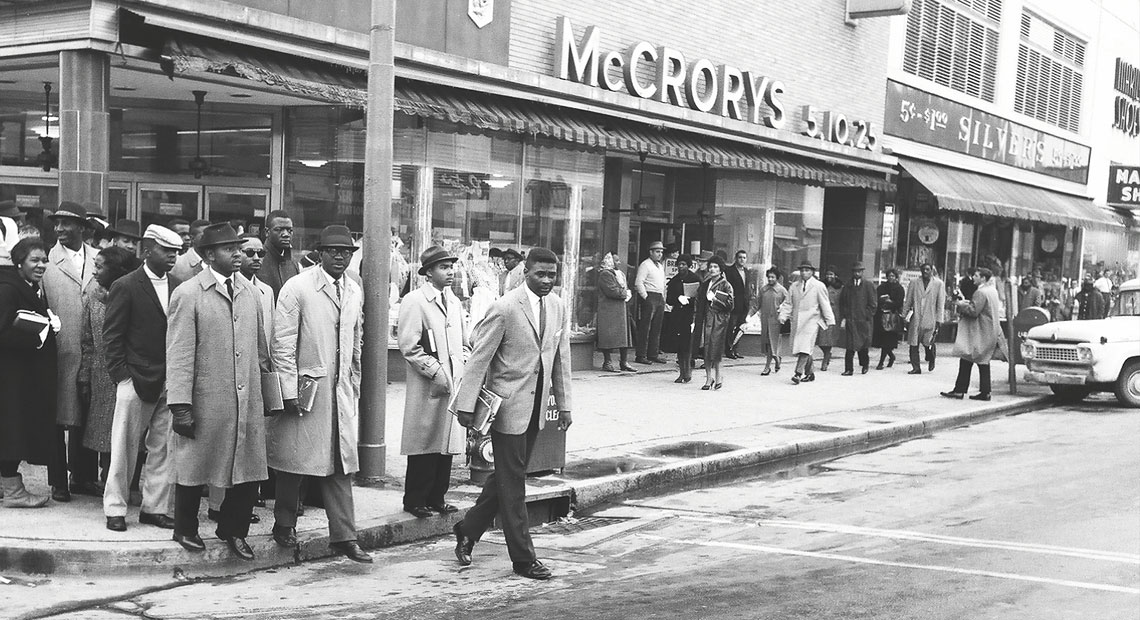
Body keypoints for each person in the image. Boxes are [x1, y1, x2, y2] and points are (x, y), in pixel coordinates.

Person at [452, 247, 573, 581]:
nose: (547, 281)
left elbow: (560, 360)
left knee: (506, 477)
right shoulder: (505, 308)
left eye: (552, 275)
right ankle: (523, 558)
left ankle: (468, 529)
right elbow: (479, 358)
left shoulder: (558, 306)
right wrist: (465, 406)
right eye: (540, 274)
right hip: (506, 409)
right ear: (525, 272)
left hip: (535, 410)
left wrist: (564, 406)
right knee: (513, 483)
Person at [166, 223, 270, 559]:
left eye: (239, 248)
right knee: (194, 465)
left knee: (247, 468)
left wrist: (269, 396)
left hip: (246, 397)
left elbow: (261, 350)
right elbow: (179, 354)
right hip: (206, 397)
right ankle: (184, 528)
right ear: (210, 255)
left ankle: (234, 530)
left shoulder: (251, 292)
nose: (238, 254)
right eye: (230, 249)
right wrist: (180, 404)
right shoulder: (188, 293)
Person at [269, 225, 370, 563]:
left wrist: (354, 379)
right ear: (320, 252)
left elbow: (357, 338)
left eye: (346, 252)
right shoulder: (297, 287)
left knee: (340, 462)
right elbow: (282, 343)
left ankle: (344, 535)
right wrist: (288, 389)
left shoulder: (354, 289)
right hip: (306, 388)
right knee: (294, 460)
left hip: (339, 390)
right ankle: (284, 523)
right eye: (333, 251)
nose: (340, 256)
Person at [100, 226, 182, 532]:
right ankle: (115, 508)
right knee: (124, 446)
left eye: (176, 251)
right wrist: (122, 376)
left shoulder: (179, 285)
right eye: (166, 250)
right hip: (134, 377)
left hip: (171, 379)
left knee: (164, 446)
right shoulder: (126, 285)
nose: (173, 256)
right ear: (147, 250)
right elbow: (112, 336)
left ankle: (154, 508)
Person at [397, 245, 467, 523]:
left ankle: (437, 496)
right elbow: (409, 345)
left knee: (446, 442)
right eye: (443, 267)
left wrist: (464, 361)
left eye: (451, 267)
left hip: (453, 381)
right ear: (428, 273)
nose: (450, 272)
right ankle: (415, 499)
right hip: (430, 383)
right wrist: (436, 371)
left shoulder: (455, 302)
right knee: (424, 441)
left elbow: (463, 340)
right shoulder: (415, 301)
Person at [42, 201, 100, 502]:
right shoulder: (45, 261)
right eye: (57, 223)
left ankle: (83, 476)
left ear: (82, 227)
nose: (59, 229)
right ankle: (58, 481)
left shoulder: (99, 259)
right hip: (59, 349)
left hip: (93, 350)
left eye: (66, 223)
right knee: (58, 416)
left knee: (88, 412)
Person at [0, 238, 58, 508]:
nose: (41, 265)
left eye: (44, 260)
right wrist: (39, 334)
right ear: (19, 262)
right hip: (11, 377)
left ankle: (6, 487)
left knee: (11, 428)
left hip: (21, 376)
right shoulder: (9, 290)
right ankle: (13, 491)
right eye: (35, 260)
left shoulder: (28, 287)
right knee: (11, 430)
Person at [78, 246, 138, 492]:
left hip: (131, 373)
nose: (94, 271)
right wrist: (84, 376)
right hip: (101, 374)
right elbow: (87, 339)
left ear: (117, 270)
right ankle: (108, 484)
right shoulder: (93, 295)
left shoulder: (135, 293)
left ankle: (130, 484)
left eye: (100, 266)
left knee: (131, 433)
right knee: (105, 432)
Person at [942, 267, 1001, 401]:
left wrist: (960, 304)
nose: (973, 277)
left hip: (979, 331)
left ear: (983, 278)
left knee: (971, 358)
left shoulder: (980, 292)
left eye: (976, 275)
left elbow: (974, 311)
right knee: (977, 360)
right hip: (989, 330)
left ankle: (963, 390)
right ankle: (981, 391)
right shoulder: (992, 291)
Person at [779, 261, 834, 385]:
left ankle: (798, 373)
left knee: (804, 347)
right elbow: (788, 303)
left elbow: (825, 303)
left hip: (812, 321)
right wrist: (783, 315)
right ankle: (810, 373)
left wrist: (829, 320)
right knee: (803, 348)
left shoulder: (819, 286)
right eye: (802, 270)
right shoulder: (794, 286)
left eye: (807, 270)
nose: (804, 273)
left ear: (812, 272)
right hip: (798, 321)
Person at [693, 256, 733, 390]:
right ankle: (708, 378)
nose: (712, 269)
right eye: (711, 267)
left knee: (715, 349)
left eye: (716, 267)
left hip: (719, 320)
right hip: (706, 318)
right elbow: (698, 301)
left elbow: (730, 305)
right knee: (706, 348)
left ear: (721, 269)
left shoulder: (726, 285)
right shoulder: (705, 284)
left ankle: (719, 375)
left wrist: (715, 299)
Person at [595, 252, 636, 373]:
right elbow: (612, 291)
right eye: (616, 260)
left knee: (624, 337)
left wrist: (626, 293)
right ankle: (607, 362)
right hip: (609, 310)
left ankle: (624, 362)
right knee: (608, 337)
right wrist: (625, 293)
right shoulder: (605, 274)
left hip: (620, 309)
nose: (619, 263)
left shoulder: (619, 273)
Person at [902, 263, 945, 374]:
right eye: (923, 269)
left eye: (927, 269)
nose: (925, 271)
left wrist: (939, 319)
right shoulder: (914, 283)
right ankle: (916, 367)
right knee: (913, 343)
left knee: (928, 342)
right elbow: (908, 300)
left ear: (932, 270)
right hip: (916, 317)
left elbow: (940, 303)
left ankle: (931, 357)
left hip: (930, 317)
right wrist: (903, 315)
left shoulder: (938, 284)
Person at [665, 254, 701, 383]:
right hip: (677, 316)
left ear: (688, 265)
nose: (681, 267)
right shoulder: (674, 280)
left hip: (690, 315)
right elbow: (669, 299)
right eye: (679, 264)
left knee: (688, 345)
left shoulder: (695, 278)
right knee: (679, 345)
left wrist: (690, 300)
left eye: (684, 264)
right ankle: (681, 373)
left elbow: (700, 298)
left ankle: (688, 372)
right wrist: (678, 299)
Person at [837, 261, 877, 376]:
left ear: (862, 272)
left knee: (863, 346)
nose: (857, 273)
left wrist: (866, 315)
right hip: (851, 320)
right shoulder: (848, 286)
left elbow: (873, 304)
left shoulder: (868, 286)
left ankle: (865, 364)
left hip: (863, 322)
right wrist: (845, 316)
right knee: (850, 346)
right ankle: (849, 369)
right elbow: (843, 302)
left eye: (859, 271)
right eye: (855, 271)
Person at [634, 240, 667, 364]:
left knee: (656, 328)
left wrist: (664, 297)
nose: (659, 254)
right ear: (651, 252)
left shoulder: (660, 266)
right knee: (645, 327)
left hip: (659, 296)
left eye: (661, 252)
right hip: (650, 296)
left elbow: (663, 283)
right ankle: (641, 355)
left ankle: (653, 354)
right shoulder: (645, 265)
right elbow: (639, 282)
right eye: (657, 252)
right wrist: (645, 297)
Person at [752, 267, 788, 376]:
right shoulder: (763, 290)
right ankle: (774, 360)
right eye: (769, 277)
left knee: (773, 343)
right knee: (768, 344)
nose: (770, 279)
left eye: (773, 277)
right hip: (765, 320)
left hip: (776, 322)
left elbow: (788, 304)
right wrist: (749, 316)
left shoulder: (782, 290)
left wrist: (783, 310)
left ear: (777, 278)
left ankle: (770, 363)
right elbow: (756, 305)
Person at [260, 211, 300, 299]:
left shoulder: (293, 264)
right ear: (267, 232)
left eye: (290, 230)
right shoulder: (257, 259)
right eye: (278, 229)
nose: (286, 234)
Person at [873, 268, 906, 370]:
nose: (891, 278)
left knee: (888, 340)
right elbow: (876, 298)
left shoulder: (899, 288)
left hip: (892, 317)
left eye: (893, 276)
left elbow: (899, 303)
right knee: (882, 340)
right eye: (889, 276)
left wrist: (890, 302)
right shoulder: (881, 287)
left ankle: (881, 362)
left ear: (896, 277)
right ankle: (891, 356)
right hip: (881, 315)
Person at [724, 250, 752, 359]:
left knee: (740, 328)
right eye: (740, 257)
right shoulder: (729, 271)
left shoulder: (747, 271)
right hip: (734, 304)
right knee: (731, 327)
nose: (742, 260)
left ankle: (735, 349)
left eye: (744, 258)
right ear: (736, 258)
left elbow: (748, 288)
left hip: (744, 304)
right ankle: (729, 349)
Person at [815, 266, 843, 372]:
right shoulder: (821, 285)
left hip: (834, 315)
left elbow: (843, 302)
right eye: (827, 274)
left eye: (831, 274)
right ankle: (827, 353)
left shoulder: (840, 287)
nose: (829, 276)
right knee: (820, 339)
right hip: (821, 315)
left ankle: (826, 358)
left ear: (835, 275)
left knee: (829, 338)